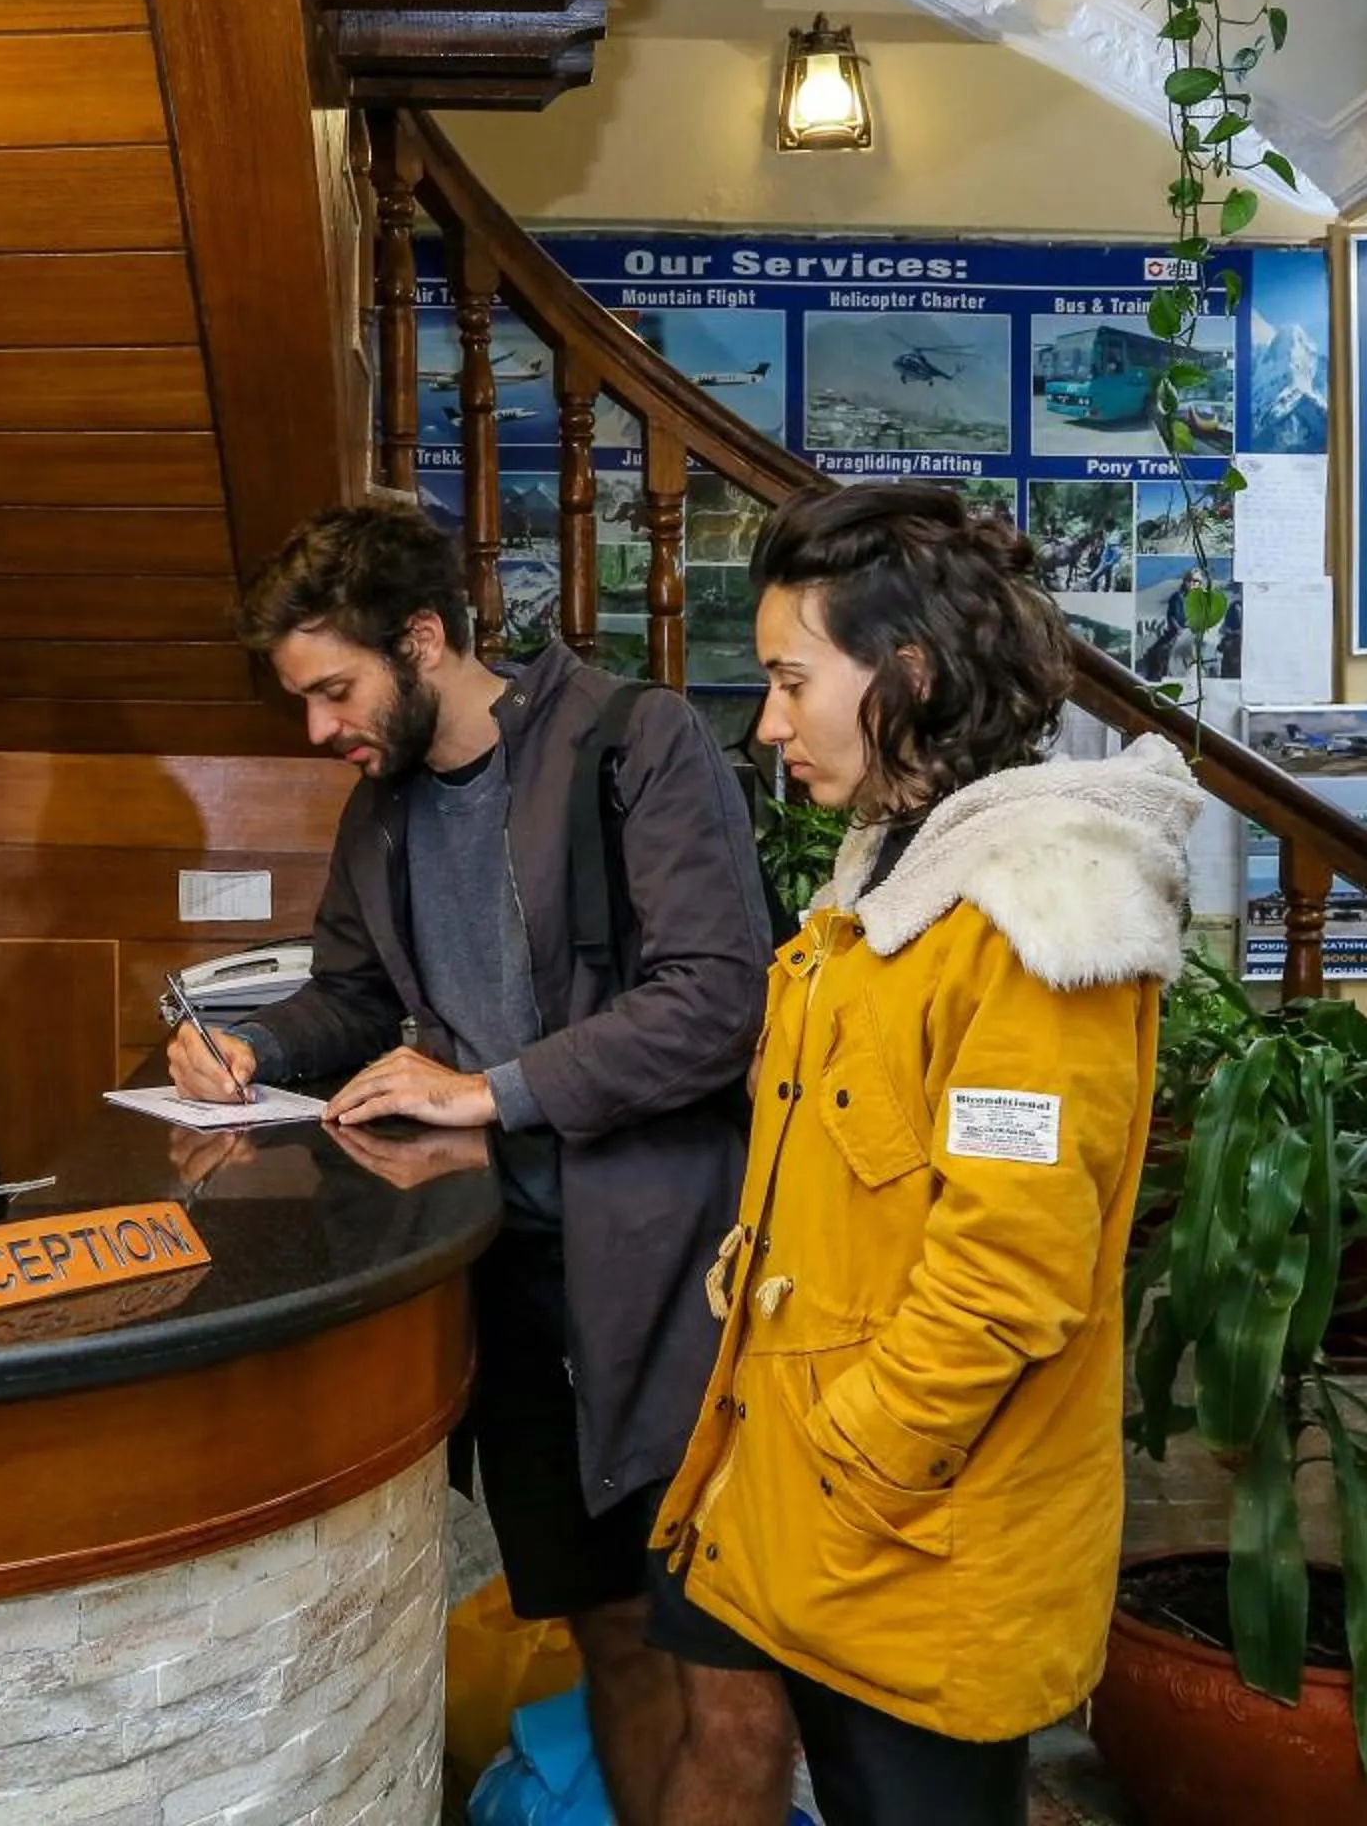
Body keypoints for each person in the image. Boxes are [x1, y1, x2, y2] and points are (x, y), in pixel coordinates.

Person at [168, 504, 790, 1826]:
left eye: (335, 690)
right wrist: (246, 1045)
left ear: (428, 638)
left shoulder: (637, 739)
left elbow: (715, 1000)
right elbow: (344, 998)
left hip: (672, 1278)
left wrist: (487, 1090)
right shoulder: (380, 811)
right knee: (608, 1629)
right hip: (505, 1279)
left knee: (730, 1669)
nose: (320, 730)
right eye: (304, 701)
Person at [648, 481, 1202, 1826]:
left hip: (909, 1531)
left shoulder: (1035, 908)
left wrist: (857, 1463)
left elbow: (1005, 1273)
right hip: (784, 1476)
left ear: (906, 673)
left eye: (790, 680)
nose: (768, 721)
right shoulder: (897, 872)